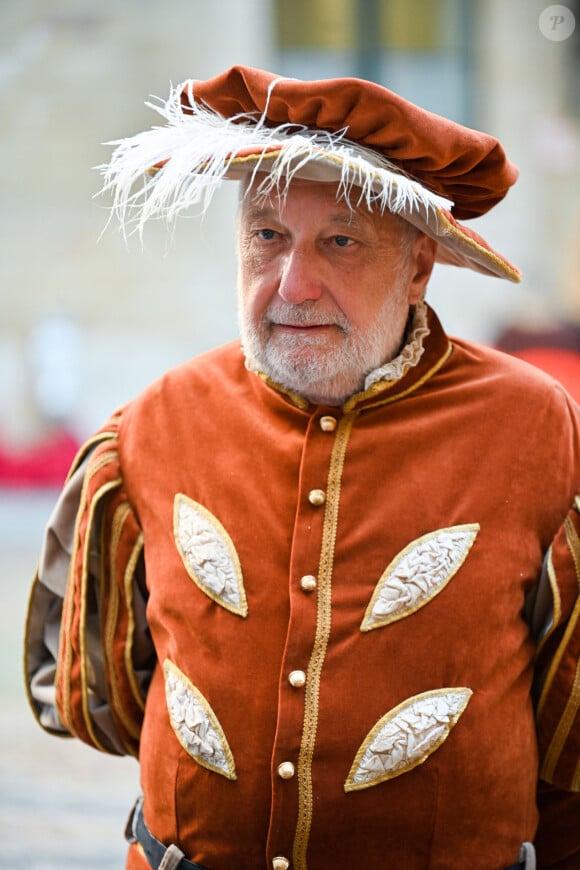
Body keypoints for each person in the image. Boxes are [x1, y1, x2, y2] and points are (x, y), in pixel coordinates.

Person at [24, 65, 580, 870]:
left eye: (340, 241)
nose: (292, 283)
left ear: (419, 265)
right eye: (266, 236)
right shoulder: (152, 424)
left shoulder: (536, 427)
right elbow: (100, 701)